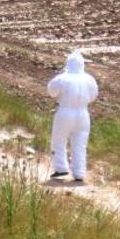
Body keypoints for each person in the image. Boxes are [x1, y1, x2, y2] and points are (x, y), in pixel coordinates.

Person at [48, 51, 99, 183]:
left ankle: (60, 167)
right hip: (83, 113)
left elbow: (52, 91)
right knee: (80, 144)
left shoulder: (62, 78)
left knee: (59, 140)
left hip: (65, 111)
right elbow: (93, 96)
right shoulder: (89, 79)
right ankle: (79, 173)